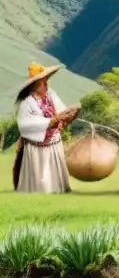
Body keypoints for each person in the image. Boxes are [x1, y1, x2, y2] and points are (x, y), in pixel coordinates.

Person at [13, 63, 79, 193]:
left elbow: (61, 110)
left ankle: (59, 188)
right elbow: (26, 124)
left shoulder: (51, 95)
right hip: (38, 144)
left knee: (54, 168)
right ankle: (41, 190)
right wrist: (51, 121)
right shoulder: (26, 103)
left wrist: (62, 120)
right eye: (43, 83)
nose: (46, 85)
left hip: (53, 141)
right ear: (34, 85)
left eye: (46, 82)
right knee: (41, 171)